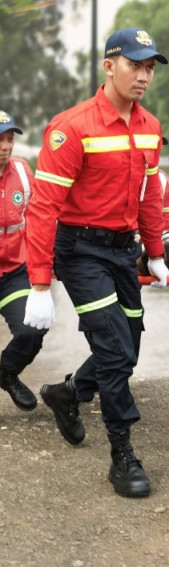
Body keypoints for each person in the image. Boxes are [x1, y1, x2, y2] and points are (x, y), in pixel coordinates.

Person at [24, 27, 169, 499]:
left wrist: (155, 250)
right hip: (80, 250)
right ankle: (123, 453)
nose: (144, 75)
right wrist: (40, 284)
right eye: (135, 64)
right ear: (109, 66)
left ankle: (68, 392)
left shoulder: (149, 126)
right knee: (114, 351)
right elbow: (43, 208)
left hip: (123, 249)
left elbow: (149, 198)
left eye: (150, 67)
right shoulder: (73, 126)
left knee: (129, 342)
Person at [0, 112, 48, 412]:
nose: (6, 146)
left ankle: (6, 373)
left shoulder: (22, 171)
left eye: (9, 139)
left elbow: (38, 217)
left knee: (33, 329)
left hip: (14, 271)